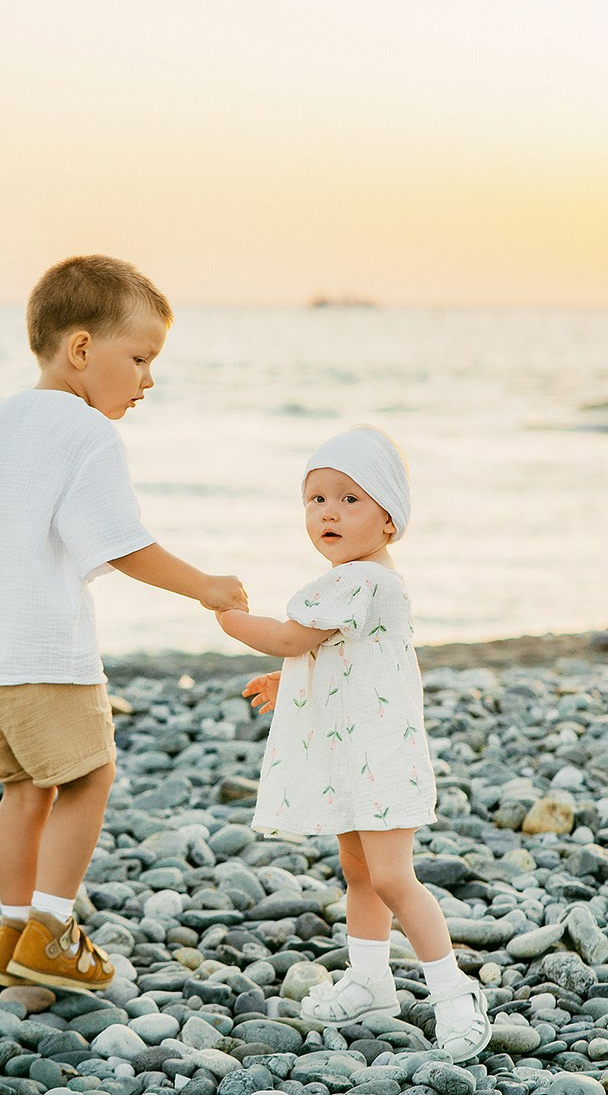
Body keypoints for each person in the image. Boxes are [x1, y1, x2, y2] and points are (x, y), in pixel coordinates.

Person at [0, 254, 247, 993]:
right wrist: (206, 587)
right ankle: (53, 931)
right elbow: (122, 543)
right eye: (141, 358)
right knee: (90, 776)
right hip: (40, 651)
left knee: (22, 791)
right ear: (82, 348)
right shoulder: (87, 435)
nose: (149, 380)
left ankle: (13, 932)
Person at [215, 425, 491, 1064]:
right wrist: (288, 683)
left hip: (379, 756)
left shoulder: (363, 581)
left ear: (389, 520)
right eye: (316, 500)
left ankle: (454, 992)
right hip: (355, 750)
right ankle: (370, 979)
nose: (328, 513)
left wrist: (226, 616)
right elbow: (335, 657)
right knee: (359, 871)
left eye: (350, 499)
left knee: (393, 877)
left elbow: (292, 638)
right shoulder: (357, 584)